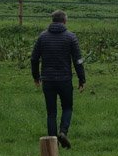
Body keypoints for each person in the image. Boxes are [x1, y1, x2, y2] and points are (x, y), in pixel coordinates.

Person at [31, 9, 86, 148]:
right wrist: (82, 79)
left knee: (51, 112)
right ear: (64, 21)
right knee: (67, 107)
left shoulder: (43, 37)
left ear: (52, 20)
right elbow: (78, 60)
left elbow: (34, 58)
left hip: (48, 80)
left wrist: (36, 77)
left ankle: (52, 142)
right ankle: (63, 132)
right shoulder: (71, 37)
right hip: (65, 79)